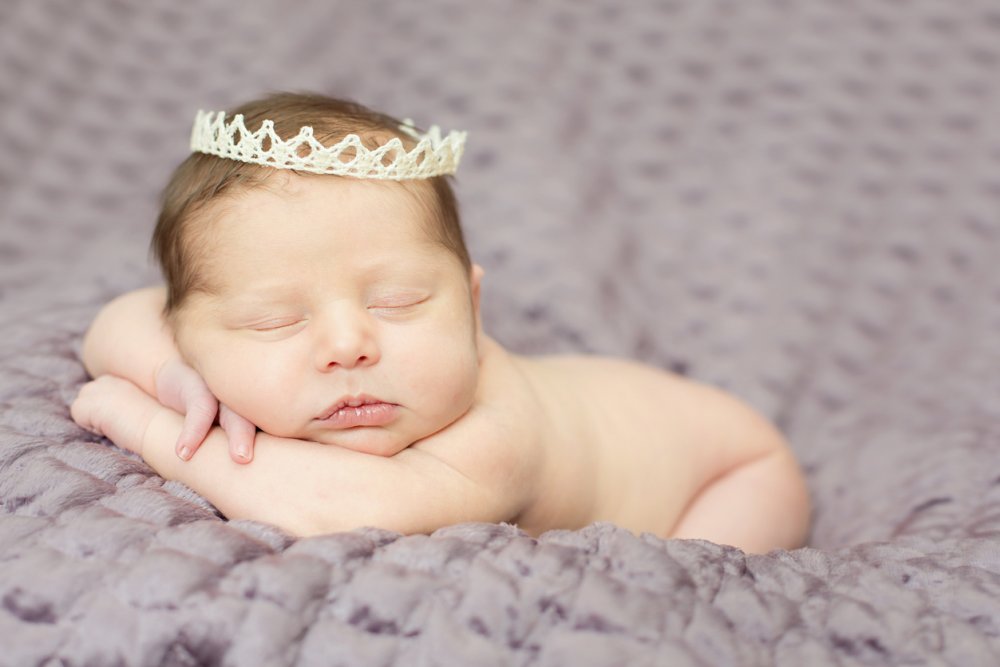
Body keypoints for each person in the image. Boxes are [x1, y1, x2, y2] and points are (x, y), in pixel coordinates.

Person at [71, 92, 810, 553]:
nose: (348, 345)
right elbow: (125, 316)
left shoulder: (492, 436)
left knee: (686, 583)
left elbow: (343, 509)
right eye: (273, 320)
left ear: (472, 303)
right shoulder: (197, 337)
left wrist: (143, 421)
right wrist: (169, 374)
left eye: (398, 303)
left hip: (729, 465)